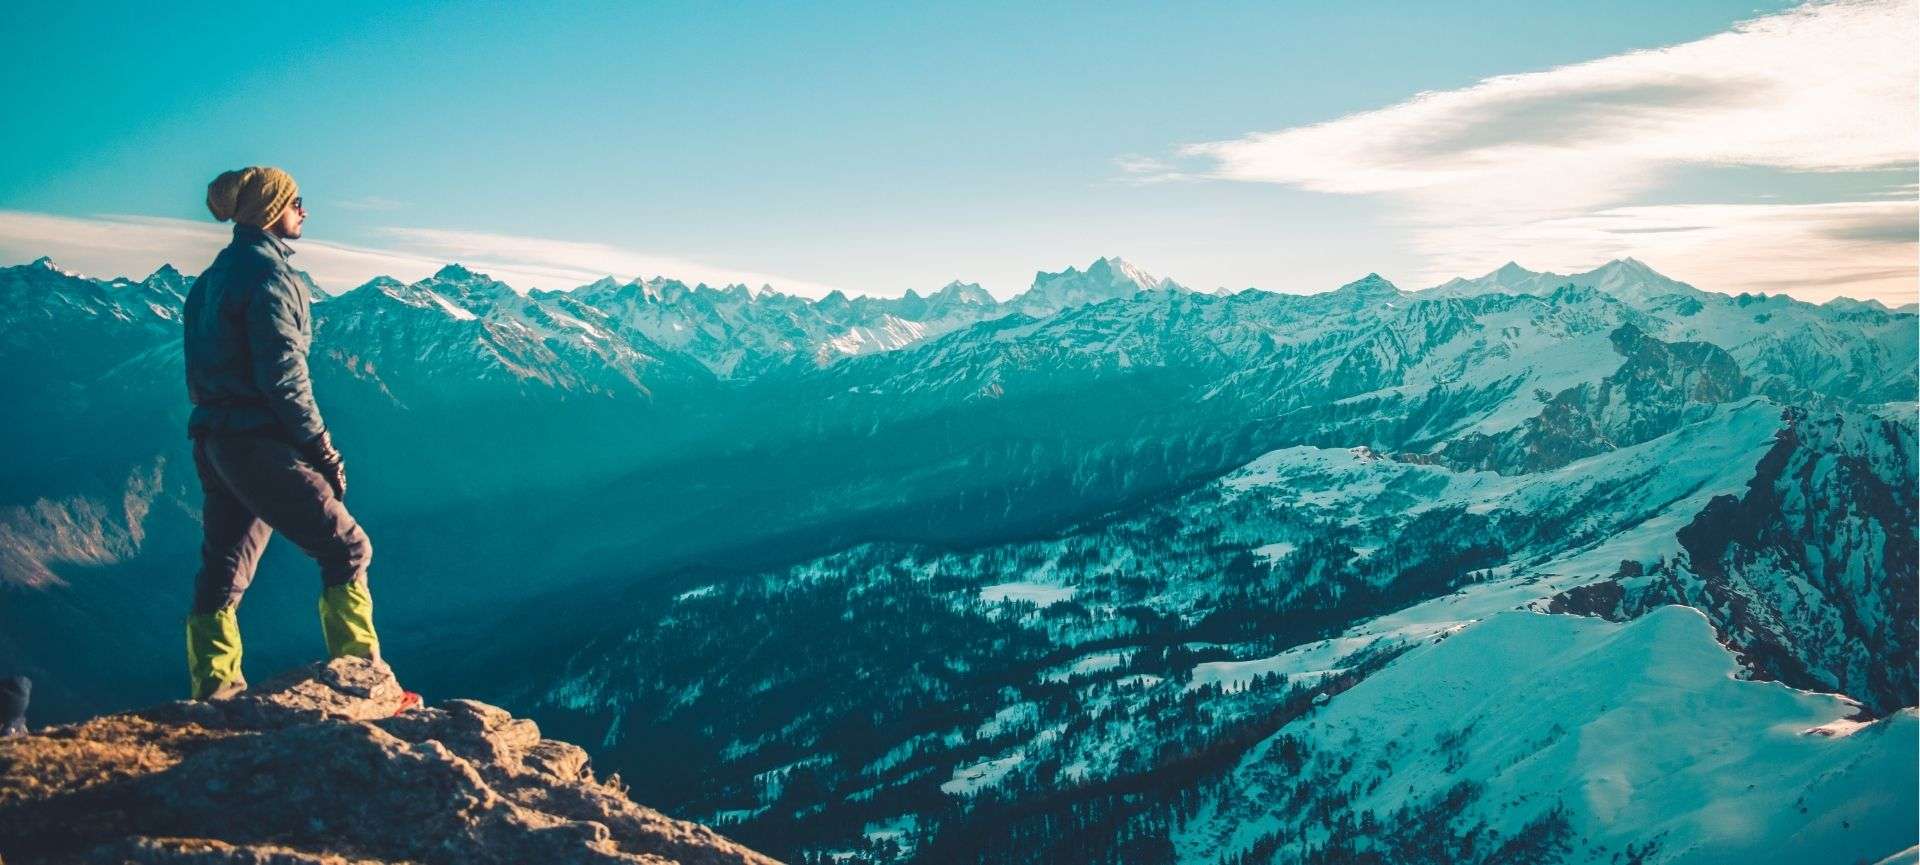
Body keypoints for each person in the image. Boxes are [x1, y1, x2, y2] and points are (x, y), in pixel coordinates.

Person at [183, 166, 416, 710]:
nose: (304, 211)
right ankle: (365, 679)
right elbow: (284, 377)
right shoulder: (270, 279)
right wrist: (321, 450)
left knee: (222, 569)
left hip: (215, 440)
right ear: (270, 210)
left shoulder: (212, 278)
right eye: (296, 202)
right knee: (347, 547)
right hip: (259, 443)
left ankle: (213, 691)